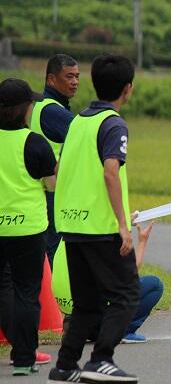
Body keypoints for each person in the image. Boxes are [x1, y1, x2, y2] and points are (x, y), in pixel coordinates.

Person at [49, 54, 140, 384]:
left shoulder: (77, 122)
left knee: (86, 304)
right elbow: (110, 172)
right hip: (101, 228)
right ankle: (101, 360)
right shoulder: (113, 124)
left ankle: (65, 366)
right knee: (126, 294)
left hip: (72, 225)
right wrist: (122, 225)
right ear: (127, 89)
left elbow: (61, 169)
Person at [0, 78, 57, 376]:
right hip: (27, 228)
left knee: (3, 289)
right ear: (25, 109)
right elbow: (52, 184)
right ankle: (23, 358)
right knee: (26, 292)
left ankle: (15, 345)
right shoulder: (35, 142)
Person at [53, 220, 163, 344]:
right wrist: (142, 241)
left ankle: (76, 327)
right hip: (97, 315)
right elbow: (129, 274)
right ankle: (121, 331)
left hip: (74, 313)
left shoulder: (66, 236)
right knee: (154, 284)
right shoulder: (101, 239)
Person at [30, 53, 79, 267]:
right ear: (51, 79)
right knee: (53, 250)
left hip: (43, 190)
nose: (75, 82)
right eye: (69, 76)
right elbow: (87, 136)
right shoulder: (53, 111)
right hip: (55, 192)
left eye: (77, 76)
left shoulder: (40, 105)